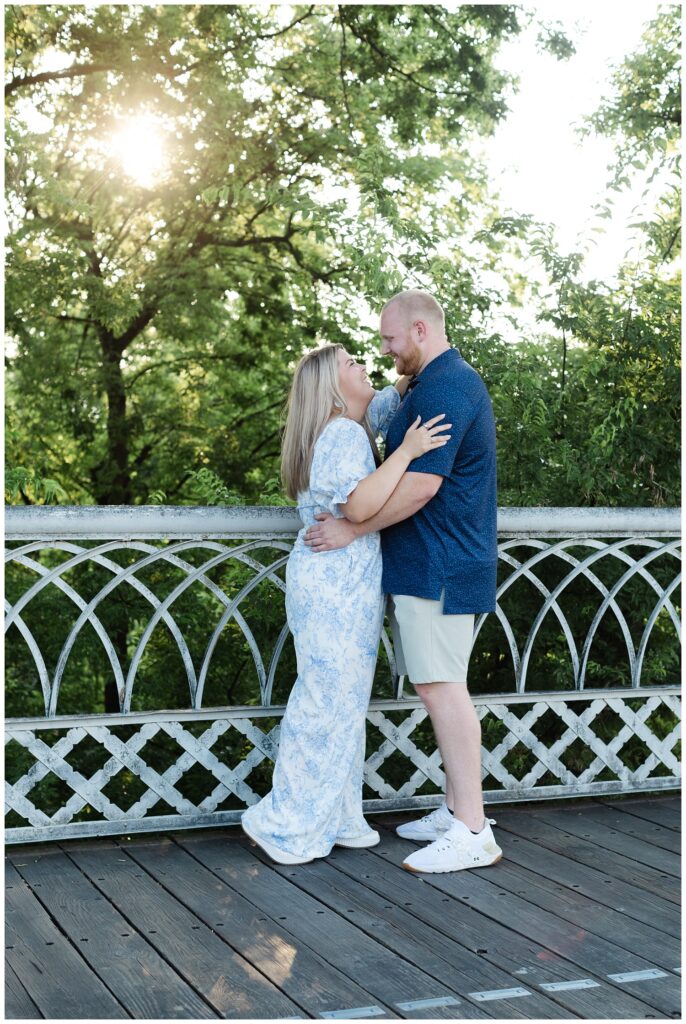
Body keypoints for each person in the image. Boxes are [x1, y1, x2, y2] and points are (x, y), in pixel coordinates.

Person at [304, 290, 502, 874]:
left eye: (390, 339)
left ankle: (471, 829)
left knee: (442, 687)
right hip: (430, 562)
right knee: (437, 683)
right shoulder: (427, 384)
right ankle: (455, 810)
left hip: (441, 563)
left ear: (419, 330)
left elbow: (421, 487)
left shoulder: (446, 386)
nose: (385, 349)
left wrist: (350, 530)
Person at [241, 343, 450, 865]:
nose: (364, 365)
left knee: (344, 701)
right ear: (332, 389)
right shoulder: (339, 434)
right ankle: (285, 825)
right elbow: (357, 504)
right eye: (351, 364)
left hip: (347, 583)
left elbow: (389, 395)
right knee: (325, 702)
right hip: (330, 584)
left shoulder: (353, 423)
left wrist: (416, 368)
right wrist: (406, 452)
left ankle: (336, 817)